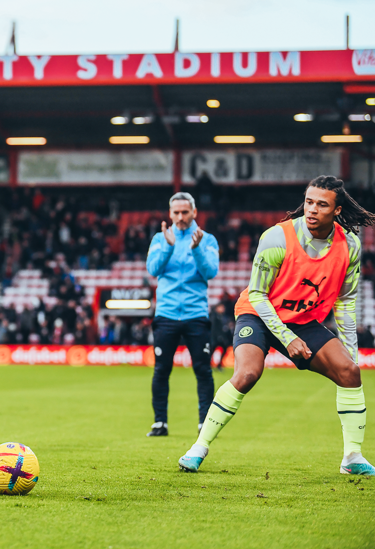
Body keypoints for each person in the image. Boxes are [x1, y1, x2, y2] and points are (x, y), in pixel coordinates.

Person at [179, 176, 375, 475]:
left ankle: (352, 457)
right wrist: (285, 337)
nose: (312, 209)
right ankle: (199, 448)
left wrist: (352, 353)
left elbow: (346, 303)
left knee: (349, 372)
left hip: (301, 321)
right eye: (309, 202)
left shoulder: (350, 246)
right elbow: (257, 294)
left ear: (336, 211)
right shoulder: (277, 237)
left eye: (322, 204)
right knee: (247, 374)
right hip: (257, 313)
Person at [145, 192, 219, 437]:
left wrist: (196, 249)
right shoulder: (160, 238)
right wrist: (168, 246)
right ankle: (160, 423)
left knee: (203, 370)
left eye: (185, 212)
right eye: (176, 213)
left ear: (194, 213)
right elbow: (153, 269)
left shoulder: (207, 240)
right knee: (161, 370)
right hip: (166, 314)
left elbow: (210, 272)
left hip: (195, 314)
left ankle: (204, 424)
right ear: (170, 213)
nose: (180, 217)